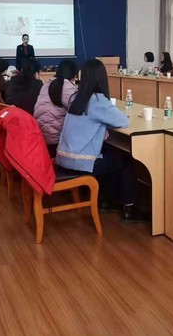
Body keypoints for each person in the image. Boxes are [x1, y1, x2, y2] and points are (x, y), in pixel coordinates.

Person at [56, 59, 145, 222]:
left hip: (63, 157)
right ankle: (130, 208)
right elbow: (122, 121)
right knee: (125, 161)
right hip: (80, 161)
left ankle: (108, 201)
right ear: (102, 78)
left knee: (111, 154)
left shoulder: (76, 97)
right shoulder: (97, 100)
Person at [33, 60, 78, 154]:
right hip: (56, 141)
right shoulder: (68, 87)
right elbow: (78, 110)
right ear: (74, 75)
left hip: (40, 136)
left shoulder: (46, 84)